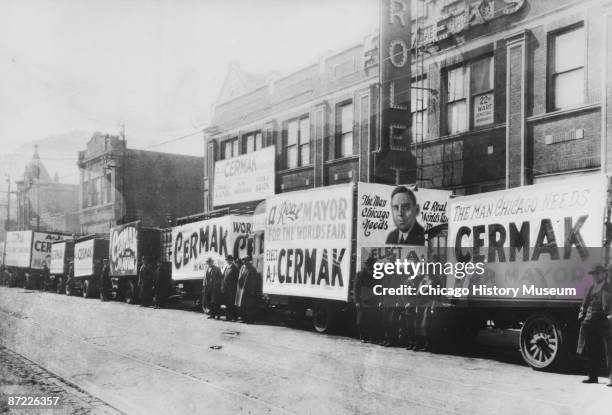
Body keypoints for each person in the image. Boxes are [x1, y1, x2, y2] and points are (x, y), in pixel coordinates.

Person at [577, 263, 612, 386]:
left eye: (599, 273)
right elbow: (585, 303)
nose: (596, 276)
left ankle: (611, 378)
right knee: (592, 350)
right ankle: (592, 377)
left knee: (609, 350)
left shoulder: (609, 287)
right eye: (594, 274)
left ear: (604, 273)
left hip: (605, 322)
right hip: (590, 322)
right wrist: (582, 314)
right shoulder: (591, 287)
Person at [354, 255, 378, 342]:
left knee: (370, 319)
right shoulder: (360, 274)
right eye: (369, 265)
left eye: (372, 265)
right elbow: (356, 288)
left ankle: (369, 337)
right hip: (362, 300)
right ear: (366, 265)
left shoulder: (375, 274)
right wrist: (357, 301)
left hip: (371, 300)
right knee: (361, 320)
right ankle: (362, 336)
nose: (371, 267)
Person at [235, 256, 259, 323]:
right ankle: (245, 319)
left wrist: (252, 290)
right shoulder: (245, 268)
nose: (244, 262)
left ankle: (249, 320)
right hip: (244, 290)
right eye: (243, 261)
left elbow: (254, 281)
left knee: (249, 306)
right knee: (244, 305)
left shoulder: (251, 269)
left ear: (248, 261)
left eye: (245, 261)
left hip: (249, 291)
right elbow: (242, 278)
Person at [221, 255, 239, 321]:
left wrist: (234, 287)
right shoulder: (226, 267)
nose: (229, 261)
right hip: (226, 289)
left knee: (233, 303)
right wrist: (222, 286)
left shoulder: (234, 268)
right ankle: (228, 317)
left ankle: (235, 317)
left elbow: (237, 279)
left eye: (230, 260)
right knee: (227, 303)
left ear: (232, 260)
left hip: (232, 289)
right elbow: (223, 277)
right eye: (227, 260)